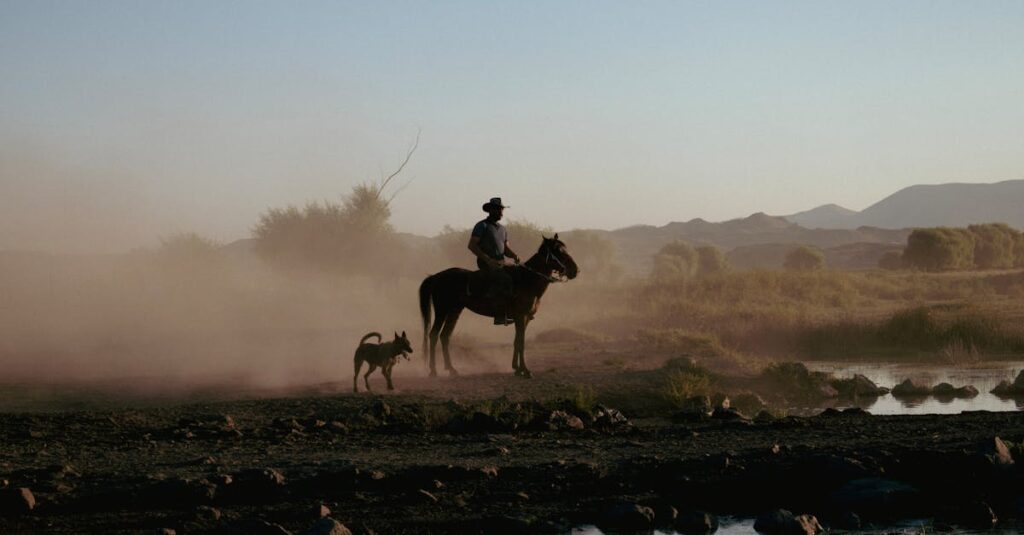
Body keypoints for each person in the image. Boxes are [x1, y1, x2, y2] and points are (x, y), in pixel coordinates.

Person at [468, 197, 520, 325]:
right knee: (505, 280)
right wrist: (488, 259)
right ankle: (500, 315)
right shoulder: (482, 226)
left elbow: (506, 248)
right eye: (498, 209)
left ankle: (518, 310)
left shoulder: (503, 229)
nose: (501, 212)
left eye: (501, 209)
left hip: (500, 263)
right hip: (486, 263)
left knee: (518, 277)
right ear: (490, 210)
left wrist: (514, 256)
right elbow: (472, 245)